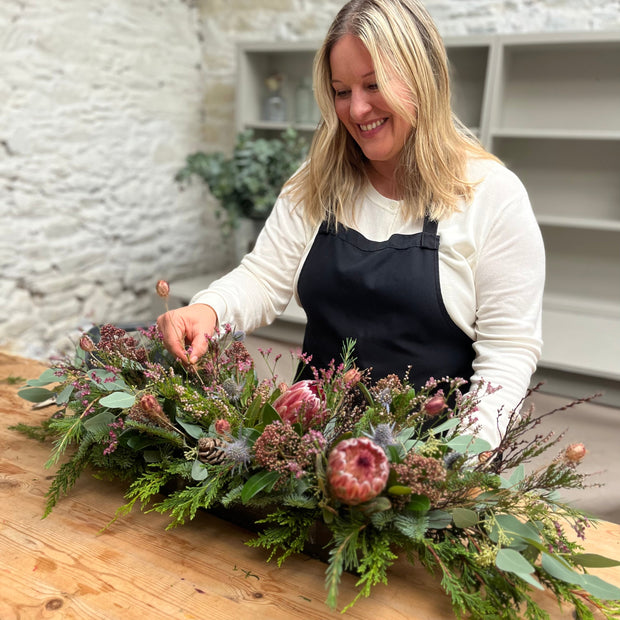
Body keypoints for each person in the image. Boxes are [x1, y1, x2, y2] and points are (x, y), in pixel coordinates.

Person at [157, 0, 545, 450]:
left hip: (425, 468)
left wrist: (463, 461)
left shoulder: (491, 194)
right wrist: (210, 310)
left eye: (374, 84)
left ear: (424, 78)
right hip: (307, 456)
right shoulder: (316, 181)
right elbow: (265, 278)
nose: (357, 110)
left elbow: (508, 353)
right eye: (342, 91)